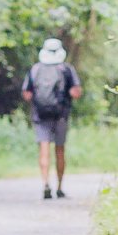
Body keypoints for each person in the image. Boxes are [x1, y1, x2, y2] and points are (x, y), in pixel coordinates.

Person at [21, 38, 83, 200]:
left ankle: (45, 184)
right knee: (60, 150)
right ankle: (60, 187)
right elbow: (76, 93)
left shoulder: (35, 69)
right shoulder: (67, 69)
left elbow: (27, 94)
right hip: (61, 115)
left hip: (40, 116)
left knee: (44, 149)